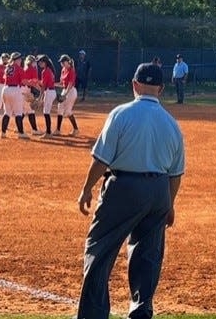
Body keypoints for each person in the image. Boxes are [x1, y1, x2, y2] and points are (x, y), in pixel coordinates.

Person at [76, 62, 185, 319]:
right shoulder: (172, 124)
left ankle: (92, 314)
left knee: (99, 248)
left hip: (123, 187)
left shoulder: (120, 114)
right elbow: (176, 173)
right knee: (148, 254)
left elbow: (101, 159)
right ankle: (141, 312)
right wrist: (169, 203)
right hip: (159, 190)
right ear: (161, 88)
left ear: (134, 85)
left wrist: (86, 189)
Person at [0, 52, 28, 139]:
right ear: (17, 60)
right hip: (15, 90)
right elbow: (23, 82)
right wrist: (30, 86)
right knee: (18, 112)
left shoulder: (7, 67)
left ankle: (3, 133)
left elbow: (6, 78)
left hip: (5, 89)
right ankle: (21, 133)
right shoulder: (19, 68)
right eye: (20, 59)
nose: (21, 60)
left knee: (7, 112)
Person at [53, 54, 80, 136]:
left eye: (63, 61)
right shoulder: (63, 69)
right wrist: (52, 84)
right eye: (61, 62)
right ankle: (57, 130)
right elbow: (62, 83)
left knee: (67, 111)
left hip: (71, 92)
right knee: (60, 109)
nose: (61, 63)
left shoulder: (71, 70)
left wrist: (65, 95)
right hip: (65, 90)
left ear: (67, 62)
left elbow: (70, 84)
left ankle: (76, 129)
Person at [22, 55, 43, 135]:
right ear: (33, 62)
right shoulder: (32, 69)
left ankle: (17, 127)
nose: (35, 63)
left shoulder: (25, 68)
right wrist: (41, 90)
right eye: (35, 61)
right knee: (31, 110)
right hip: (26, 90)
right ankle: (34, 130)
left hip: (22, 89)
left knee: (24, 110)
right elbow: (34, 83)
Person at [36, 54, 57, 138]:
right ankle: (48, 131)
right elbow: (45, 83)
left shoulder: (45, 71)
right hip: (51, 91)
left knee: (46, 112)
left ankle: (48, 132)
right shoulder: (49, 70)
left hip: (49, 91)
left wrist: (40, 97)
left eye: (40, 62)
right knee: (46, 111)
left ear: (44, 62)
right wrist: (37, 81)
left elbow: (44, 86)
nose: (39, 63)